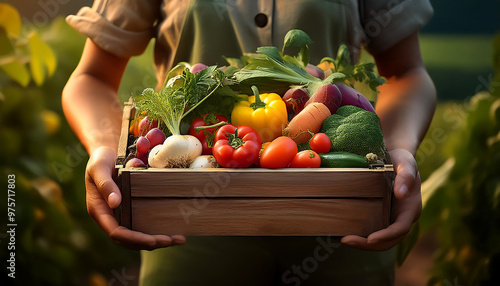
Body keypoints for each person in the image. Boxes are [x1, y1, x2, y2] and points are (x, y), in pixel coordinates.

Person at [63, 0, 436, 285]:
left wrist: (400, 147)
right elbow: (92, 77)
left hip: (344, 224)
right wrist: (103, 147)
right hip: (186, 221)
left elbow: (406, 72)